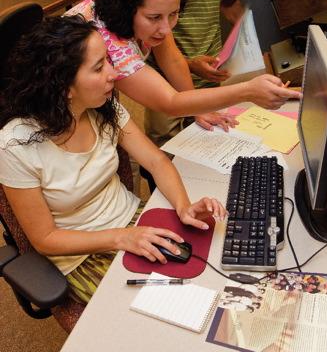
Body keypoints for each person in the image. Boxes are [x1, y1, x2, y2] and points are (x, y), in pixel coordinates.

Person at [0, 15, 227, 304]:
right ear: (63, 86)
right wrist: (120, 237)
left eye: (109, 60)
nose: (114, 73)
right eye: (99, 67)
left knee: (216, 272)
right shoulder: (14, 144)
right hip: (82, 254)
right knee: (180, 308)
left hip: (135, 221)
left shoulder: (103, 108)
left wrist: (183, 206)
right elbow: (44, 239)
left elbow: (157, 161)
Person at [66, 0, 300, 132]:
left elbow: (173, 60)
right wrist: (247, 90)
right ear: (127, 9)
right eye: (154, 17)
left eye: (174, 14)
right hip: (60, 108)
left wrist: (198, 108)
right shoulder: (108, 40)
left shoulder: (150, 13)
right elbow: (169, 103)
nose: (166, 29)